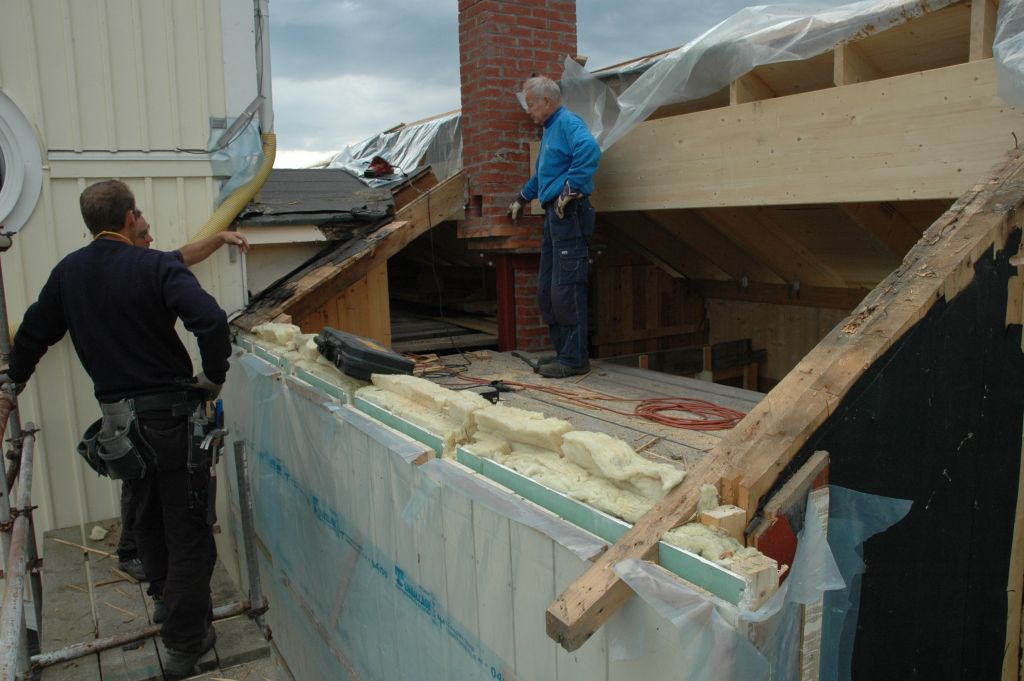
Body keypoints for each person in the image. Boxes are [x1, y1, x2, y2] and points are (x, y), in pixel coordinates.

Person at [0, 180, 231, 678]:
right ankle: (187, 642)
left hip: (120, 429)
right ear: (129, 218)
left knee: (147, 519)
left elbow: (34, 334)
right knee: (187, 528)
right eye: (140, 214)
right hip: (170, 421)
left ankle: (168, 604)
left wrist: (11, 383)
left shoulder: (68, 273)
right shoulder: (154, 265)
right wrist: (213, 377)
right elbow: (211, 321)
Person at [115, 216, 249, 585]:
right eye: (144, 234)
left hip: (136, 405)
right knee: (143, 485)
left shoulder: (147, 265)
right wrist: (215, 375)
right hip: (140, 401)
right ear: (124, 232)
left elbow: (182, 255)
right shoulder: (122, 274)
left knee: (143, 481)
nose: (151, 238)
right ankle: (132, 553)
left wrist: (219, 238)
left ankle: (145, 558)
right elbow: (209, 320)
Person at [508, 76, 602, 378]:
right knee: (547, 289)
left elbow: (589, 149)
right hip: (554, 215)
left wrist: (571, 188)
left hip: (569, 213)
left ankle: (575, 360)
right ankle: (564, 353)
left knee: (566, 288)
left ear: (547, 101)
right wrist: (522, 198)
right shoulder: (550, 130)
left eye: (531, 104)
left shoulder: (567, 122)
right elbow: (543, 176)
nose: (528, 111)